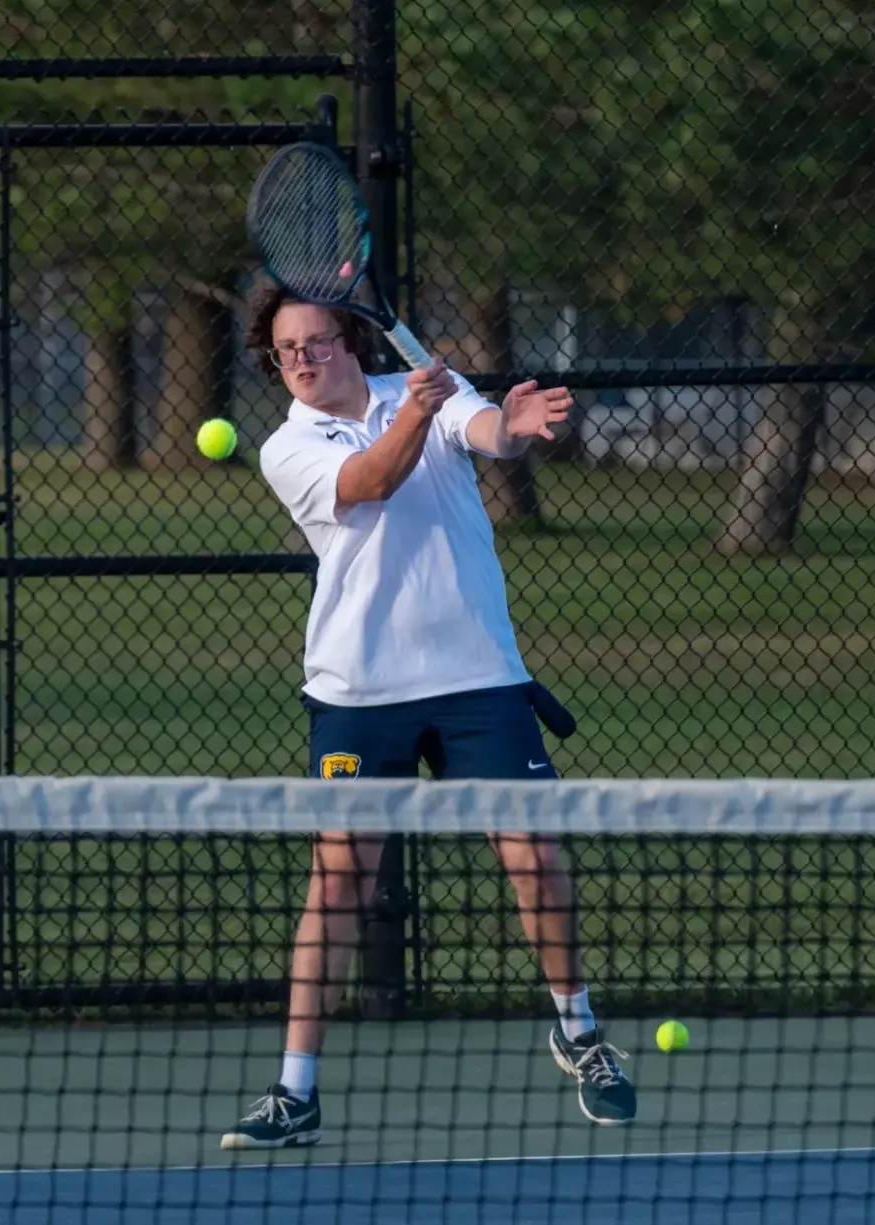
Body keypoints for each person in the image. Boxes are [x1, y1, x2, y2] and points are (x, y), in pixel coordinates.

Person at [219, 286, 637, 1151]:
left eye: (315, 342)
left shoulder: (424, 390)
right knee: (338, 883)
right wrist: (420, 407)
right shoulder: (288, 446)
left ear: (348, 343)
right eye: (285, 350)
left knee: (534, 852)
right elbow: (371, 481)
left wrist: (506, 423)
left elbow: (482, 432)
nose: (300, 359)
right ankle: (295, 1092)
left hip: (478, 678)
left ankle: (579, 1029)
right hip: (357, 691)